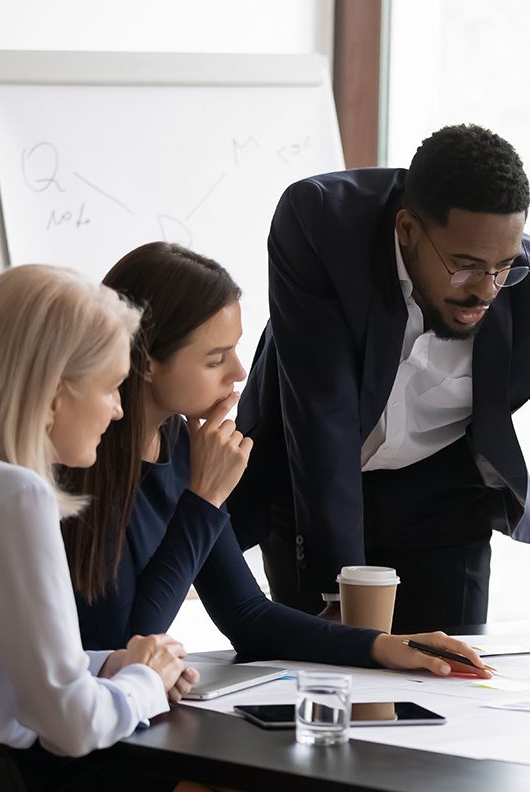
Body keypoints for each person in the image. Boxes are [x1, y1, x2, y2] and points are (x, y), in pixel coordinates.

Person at [229, 123, 530, 655]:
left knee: (450, 683)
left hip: (443, 499)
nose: (485, 290)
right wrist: (341, 590)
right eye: (465, 266)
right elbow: (322, 412)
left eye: (504, 267)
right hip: (314, 486)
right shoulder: (321, 224)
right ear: (407, 230)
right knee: (322, 679)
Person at [61, 242, 491, 678]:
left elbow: (246, 615)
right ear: (147, 361)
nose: (239, 372)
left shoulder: (183, 444)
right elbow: (125, 648)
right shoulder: (79, 459)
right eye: (216, 359)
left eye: (234, 350)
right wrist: (205, 499)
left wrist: (382, 646)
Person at [0, 264, 196, 790]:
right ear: (52, 395)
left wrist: (105, 663)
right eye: (112, 387)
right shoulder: (14, 495)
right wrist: (145, 681)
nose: (118, 410)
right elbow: (70, 724)